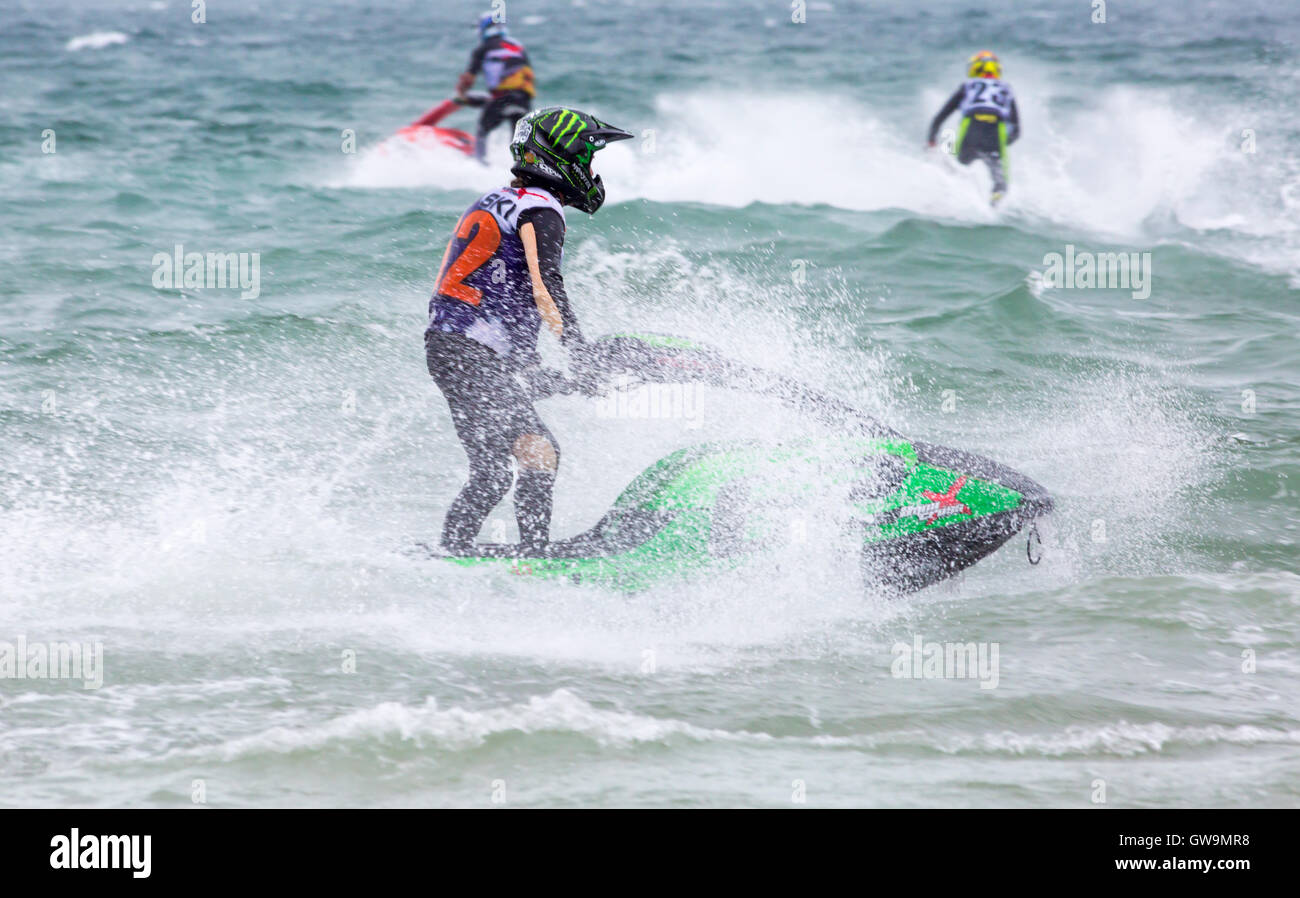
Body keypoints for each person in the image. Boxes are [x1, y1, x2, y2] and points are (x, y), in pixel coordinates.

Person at [425, 107, 633, 554]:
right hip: (471, 354)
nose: (590, 171)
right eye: (588, 158)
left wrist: (541, 374)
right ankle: (534, 556)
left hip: (450, 349)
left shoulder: (497, 198)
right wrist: (581, 354)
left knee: (493, 471)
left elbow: (491, 298)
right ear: (563, 157)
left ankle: (453, 550)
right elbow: (546, 287)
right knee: (539, 451)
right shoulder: (543, 210)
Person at [927, 51, 1020, 205]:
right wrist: (1002, 144)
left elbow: (939, 118)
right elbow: (1016, 131)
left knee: (956, 171)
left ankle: (943, 203)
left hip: (971, 130)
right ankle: (992, 211)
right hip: (995, 134)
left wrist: (931, 140)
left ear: (975, 68)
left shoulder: (967, 86)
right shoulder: (1006, 89)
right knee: (1001, 183)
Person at [456, 12, 537, 163]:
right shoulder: (518, 47)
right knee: (521, 141)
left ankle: (480, 164)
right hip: (524, 100)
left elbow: (469, 78)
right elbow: (529, 76)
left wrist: (461, 95)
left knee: (482, 131)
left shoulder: (484, 48)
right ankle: (526, 171)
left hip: (502, 98)